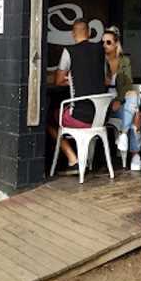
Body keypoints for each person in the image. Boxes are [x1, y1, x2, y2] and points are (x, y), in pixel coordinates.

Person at [48, 19, 107, 175]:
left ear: (73, 34)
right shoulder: (101, 49)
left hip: (80, 117)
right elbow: (105, 77)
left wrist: (71, 80)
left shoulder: (69, 51)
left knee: (49, 119)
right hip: (101, 117)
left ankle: (72, 159)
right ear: (88, 33)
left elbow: (58, 80)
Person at [102, 26, 141, 171]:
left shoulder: (124, 61)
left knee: (133, 98)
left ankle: (124, 134)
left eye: (108, 42)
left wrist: (119, 99)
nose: (104, 46)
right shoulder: (100, 61)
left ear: (116, 44)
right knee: (136, 115)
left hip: (121, 103)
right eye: (103, 42)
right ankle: (135, 155)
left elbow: (127, 84)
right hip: (105, 105)